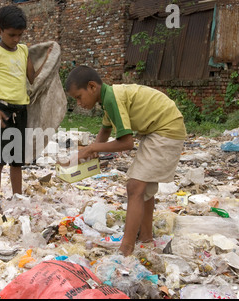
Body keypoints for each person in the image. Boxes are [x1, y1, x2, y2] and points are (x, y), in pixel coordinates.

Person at [64, 65, 186, 256]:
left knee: (135, 187)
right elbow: (104, 133)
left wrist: (91, 148)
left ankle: (126, 249)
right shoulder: (108, 99)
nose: (79, 103)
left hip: (165, 129)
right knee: (142, 187)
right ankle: (145, 238)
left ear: (92, 87)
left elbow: (127, 142)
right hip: (157, 130)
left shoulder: (112, 98)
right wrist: (84, 157)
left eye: (79, 97)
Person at [0, 5, 50, 216]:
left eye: (20, 35)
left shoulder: (23, 51)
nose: (16, 39)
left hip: (21, 110)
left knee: (17, 161)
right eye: (11, 35)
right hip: (1, 110)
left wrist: (47, 63)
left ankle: (17, 199)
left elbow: (31, 78)